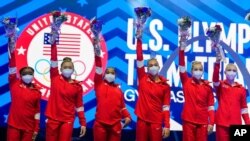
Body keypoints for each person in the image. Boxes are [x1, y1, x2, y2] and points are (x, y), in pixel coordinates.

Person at [45, 41, 86, 141]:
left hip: (67, 120)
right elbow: (53, 60)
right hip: (52, 119)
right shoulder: (55, 77)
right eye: (65, 67)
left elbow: (79, 106)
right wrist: (53, 42)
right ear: (60, 68)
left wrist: (83, 122)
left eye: (70, 67)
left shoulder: (77, 86)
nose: (67, 69)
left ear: (73, 70)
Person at [135, 31, 171, 141]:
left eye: (155, 65)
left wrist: (167, 125)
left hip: (156, 121)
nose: (153, 67)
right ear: (147, 68)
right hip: (142, 120)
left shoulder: (165, 86)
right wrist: (139, 40)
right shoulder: (142, 77)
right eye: (150, 65)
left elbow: (166, 107)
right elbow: (139, 57)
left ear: (159, 67)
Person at [93, 40, 131, 141]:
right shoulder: (99, 84)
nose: (110, 74)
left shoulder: (119, 90)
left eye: (112, 73)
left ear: (115, 76)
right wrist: (97, 53)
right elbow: (98, 67)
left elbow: (122, 107)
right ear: (104, 74)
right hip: (100, 124)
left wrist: (127, 116)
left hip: (116, 125)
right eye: (108, 72)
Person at [178, 39, 215, 141]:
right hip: (188, 121)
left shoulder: (208, 87)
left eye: (200, 69)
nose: (198, 71)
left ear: (203, 71)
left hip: (203, 122)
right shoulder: (186, 81)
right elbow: (181, 66)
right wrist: (181, 50)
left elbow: (211, 107)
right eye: (196, 69)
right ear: (191, 71)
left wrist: (211, 122)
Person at [7, 37, 41, 141]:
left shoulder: (37, 92)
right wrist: (12, 50)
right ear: (20, 76)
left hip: (29, 128)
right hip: (14, 126)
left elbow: (37, 112)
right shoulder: (14, 84)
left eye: (30, 74)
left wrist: (36, 129)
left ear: (33, 76)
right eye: (25, 74)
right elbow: (12, 68)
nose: (28, 76)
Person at [213, 57, 250, 141]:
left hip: (236, 124)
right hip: (221, 123)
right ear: (225, 72)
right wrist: (217, 64)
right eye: (229, 70)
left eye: (234, 71)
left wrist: (248, 123)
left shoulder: (241, 89)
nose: (231, 72)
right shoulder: (221, 85)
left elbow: (244, 108)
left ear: (236, 73)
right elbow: (215, 80)